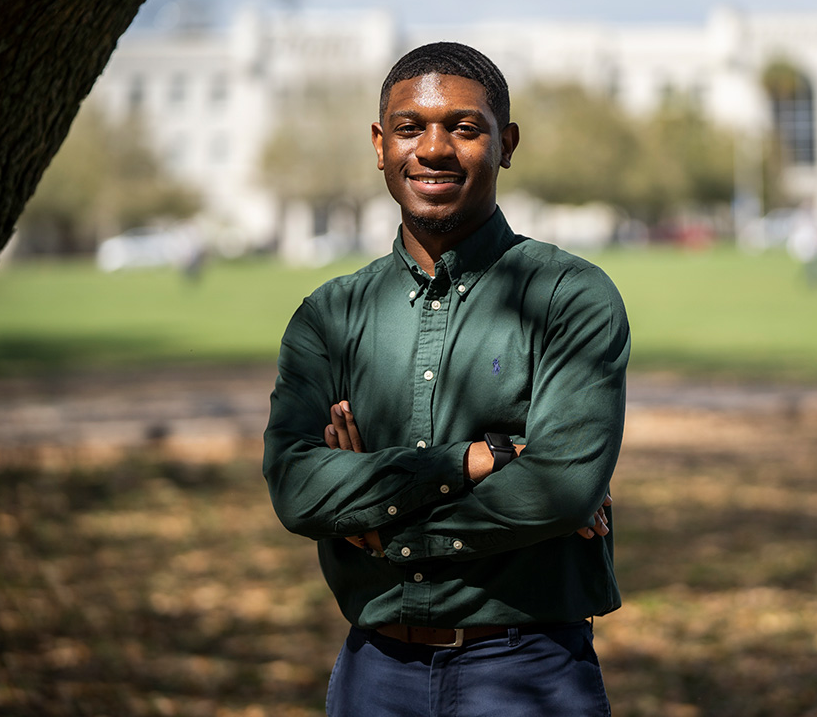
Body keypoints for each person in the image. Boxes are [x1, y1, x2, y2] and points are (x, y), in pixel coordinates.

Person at [263, 41, 630, 717]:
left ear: (506, 143)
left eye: (464, 128)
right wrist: (476, 460)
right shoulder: (329, 317)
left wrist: (382, 524)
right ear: (380, 144)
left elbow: (562, 489)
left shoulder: (569, 297)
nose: (433, 148)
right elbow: (296, 486)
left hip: (527, 668)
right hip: (374, 671)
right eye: (410, 128)